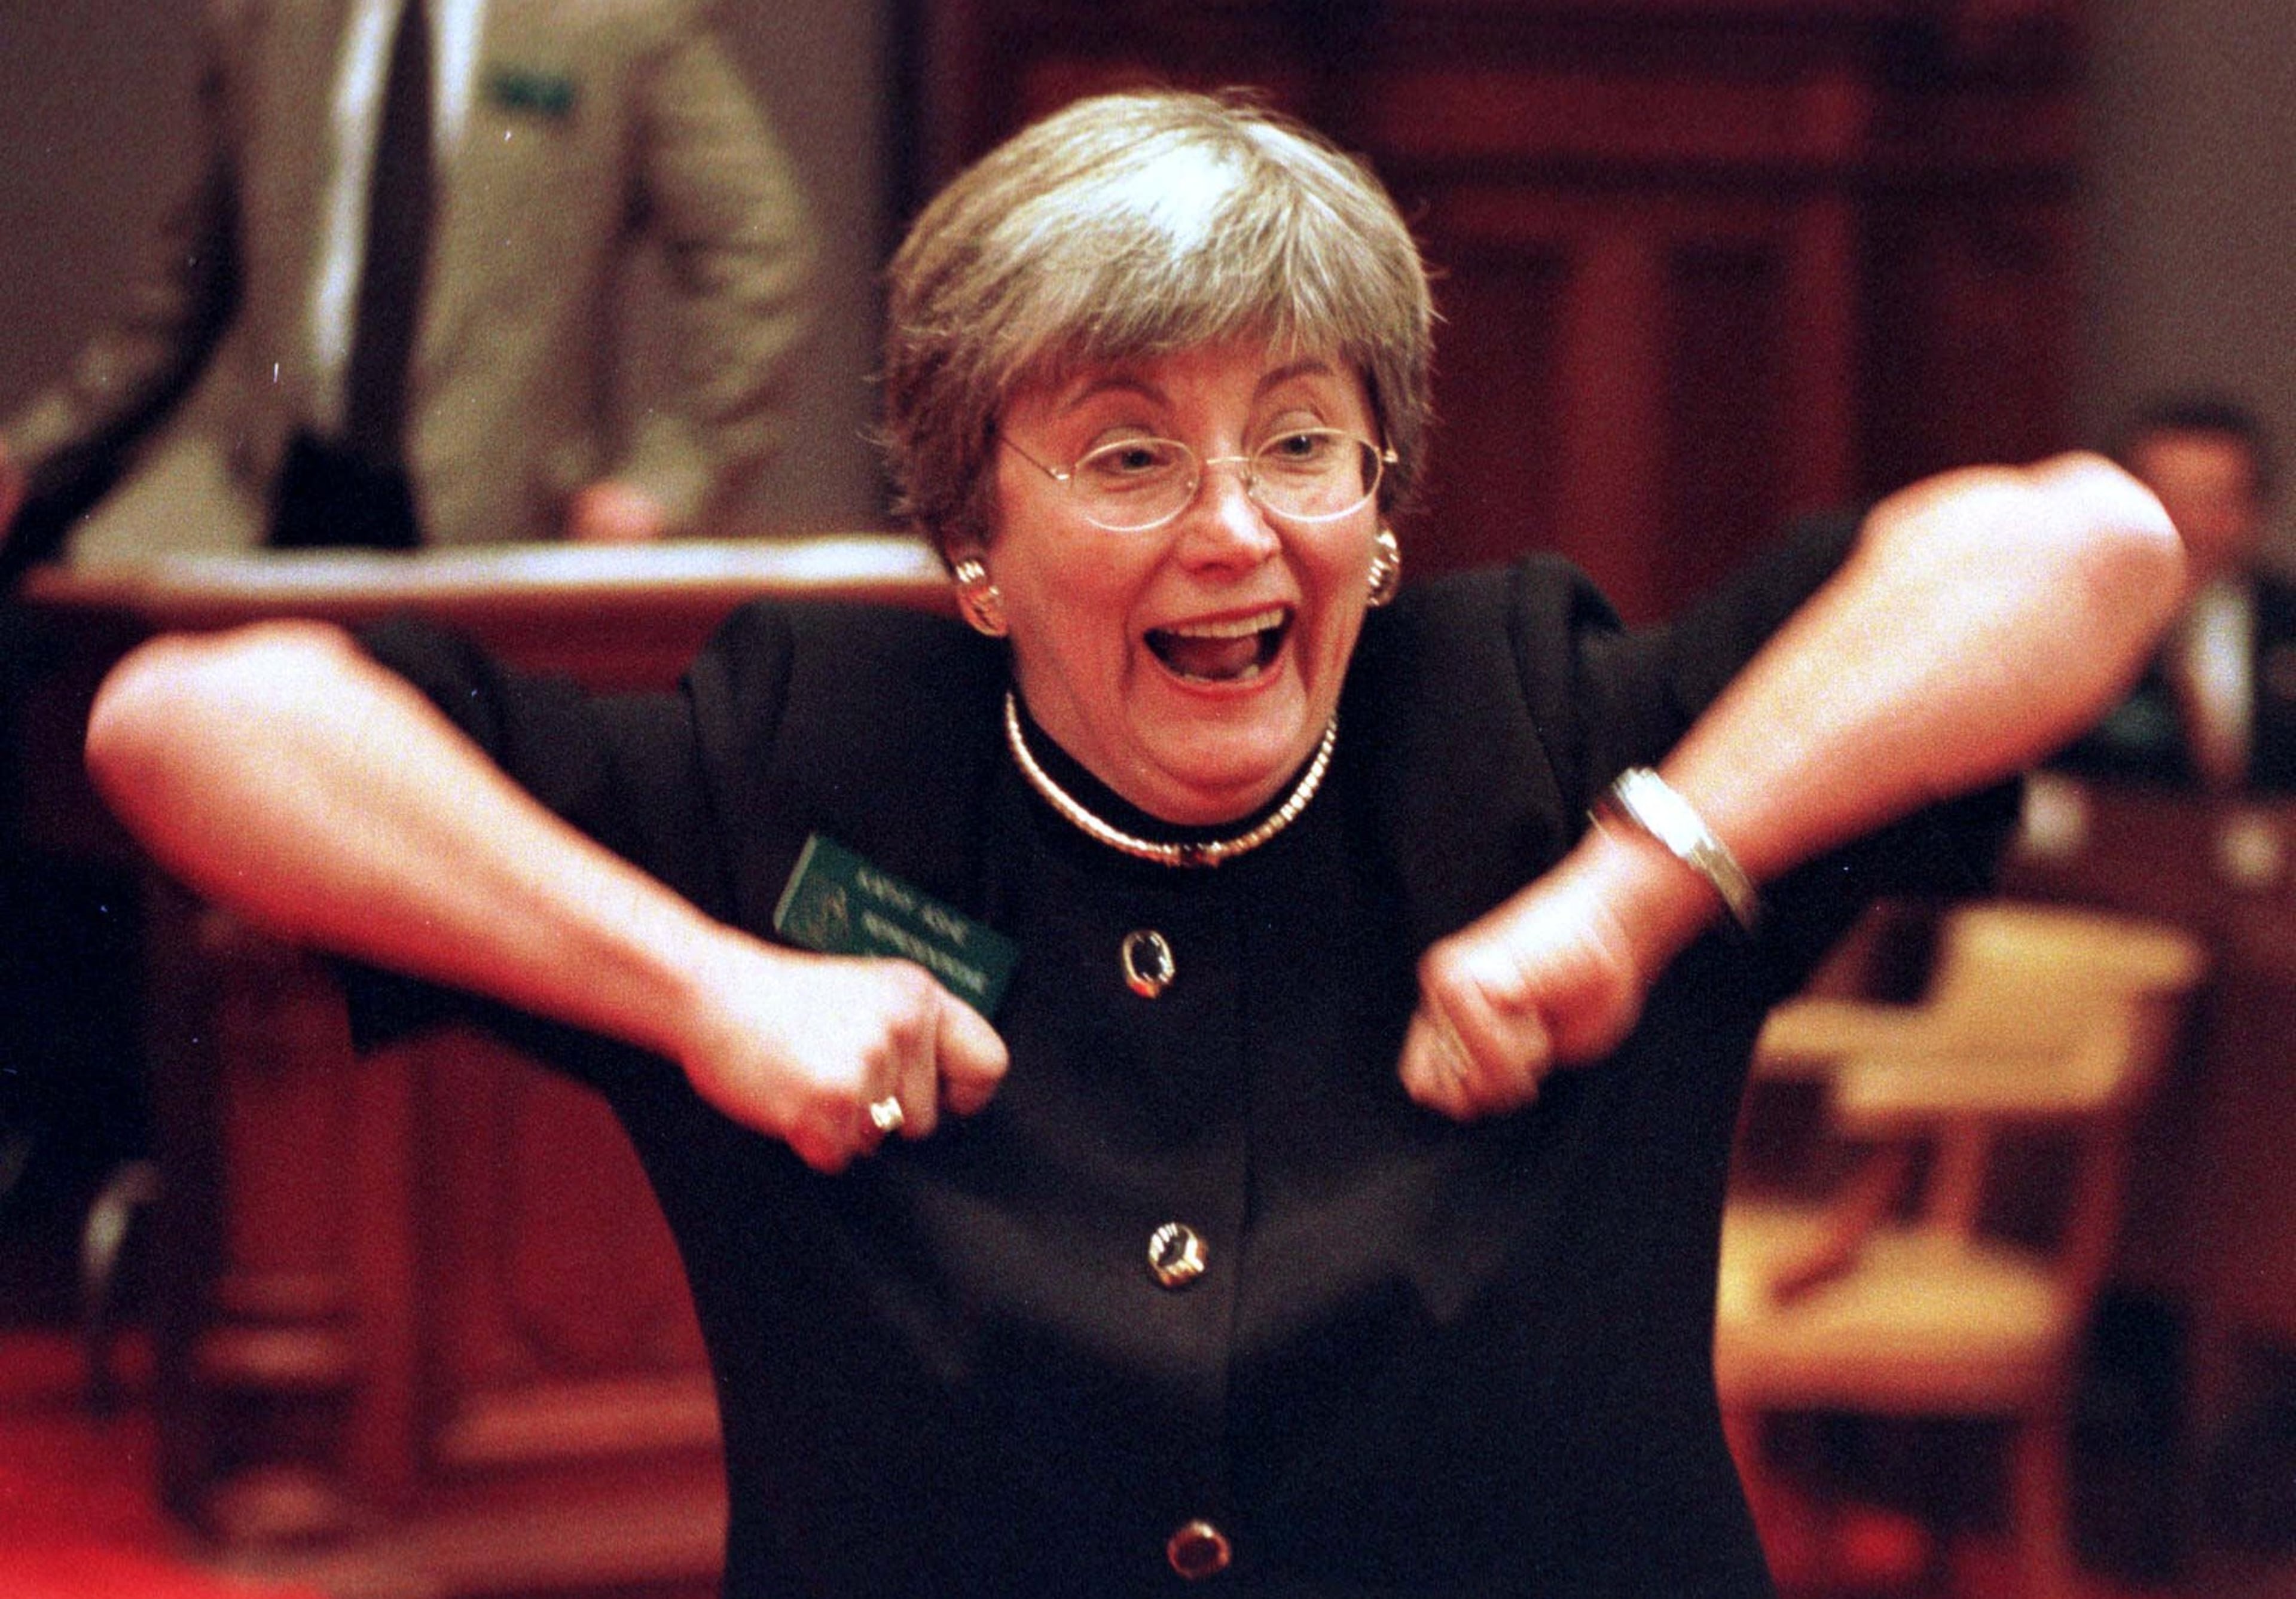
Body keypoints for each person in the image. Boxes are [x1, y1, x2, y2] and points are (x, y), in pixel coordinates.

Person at [83, 90, 2182, 1595]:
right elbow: (190, 724)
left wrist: (1644, 887)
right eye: (1125, 449)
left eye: (1300, 438)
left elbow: (2081, 547)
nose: (1235, 521)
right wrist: (706, 989)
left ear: (1382, 501)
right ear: (975, 546)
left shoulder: (1539, 726)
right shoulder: (810, 765)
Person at [0, 0, 813, 574]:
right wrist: (30, 455)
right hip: (272, 496)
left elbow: (755, 246)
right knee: (61, 638)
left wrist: (673, 481)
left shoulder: (615, 17)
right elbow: (178, 296)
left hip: (499, 518)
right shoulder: (267, 17)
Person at [2053, 395, 2296, 791]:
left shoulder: (2287, 617)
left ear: (2258, 508)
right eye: (2170, 497)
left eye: (2218, 500)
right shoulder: (2073, 624)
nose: (2194, 523)